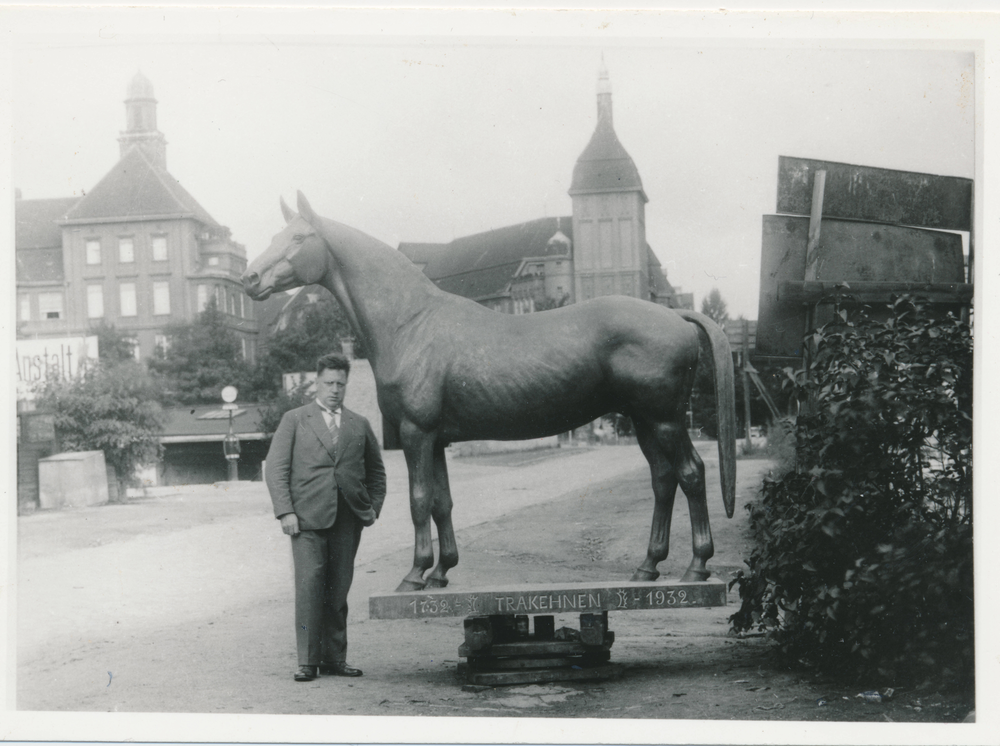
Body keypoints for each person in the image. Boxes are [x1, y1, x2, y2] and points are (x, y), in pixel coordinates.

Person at [265, 352, 387, 681]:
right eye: (328, 383)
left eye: (340, 384)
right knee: (309, 589)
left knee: (338, 591)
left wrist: (373, 508)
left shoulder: (359, 423)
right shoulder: (295, 420)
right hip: (305, 521)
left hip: (347, 521)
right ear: (317, 382)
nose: (334, 390)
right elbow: (275, 470)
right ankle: (308, 661)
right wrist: (285, 511)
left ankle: (335, 659)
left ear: (346, 386)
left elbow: (377, 472)